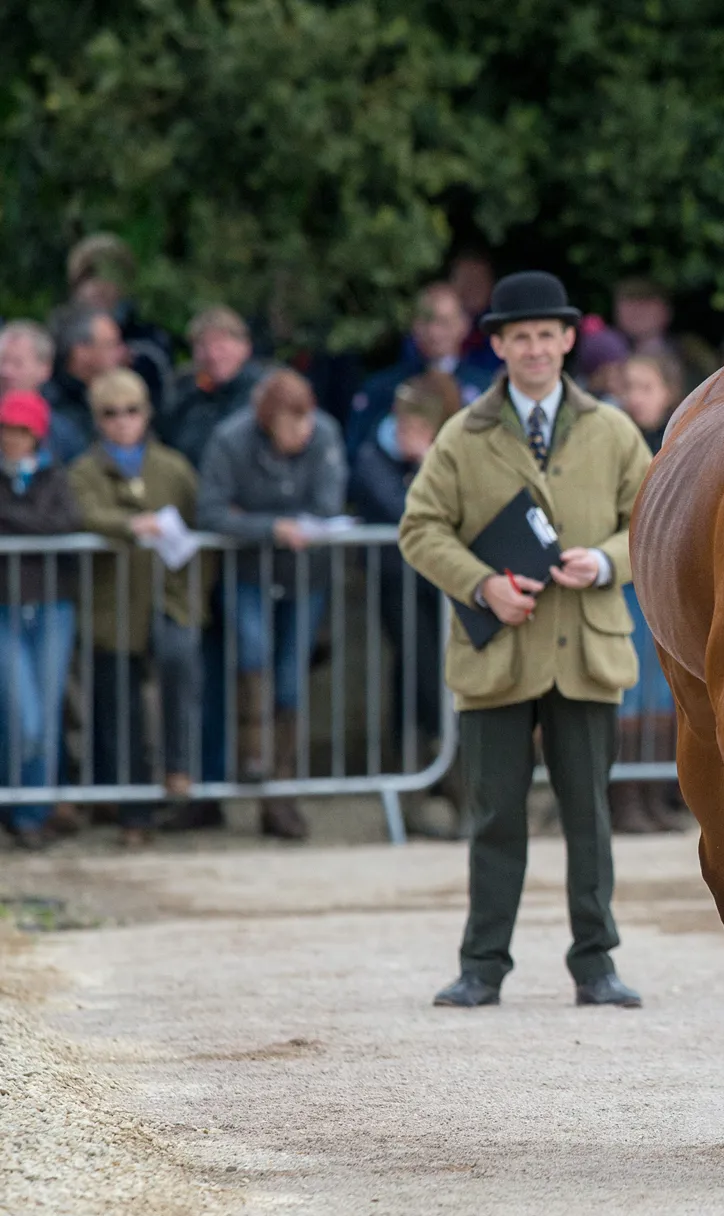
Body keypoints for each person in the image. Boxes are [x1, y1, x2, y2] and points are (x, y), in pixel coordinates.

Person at [398, 270, 651, 1010]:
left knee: (590, 817)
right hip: (498, 651)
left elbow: (656, 520)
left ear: (569, 340)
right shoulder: (462, 434)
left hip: (584, 645)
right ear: (499, 344)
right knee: (495, 816)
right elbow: (420, 527)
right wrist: (482, 585)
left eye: (548, 335)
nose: (535, 349)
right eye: (520, 337)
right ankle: (482, 965)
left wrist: (606, 560)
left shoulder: (611, 429)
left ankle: (596, 963)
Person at [196, 369, 347, 840]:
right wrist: (275, 529)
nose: (301, 435)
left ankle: (280, 792)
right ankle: (253, 761)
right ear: (266, 421)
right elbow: (212, 511)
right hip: (247, 576)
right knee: (252, 657)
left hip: (306, 579)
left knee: (289, 676)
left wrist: (252, 518)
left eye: (305, 423)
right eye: (289, 426)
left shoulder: (324, 433)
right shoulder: (230, 439)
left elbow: (327, 505)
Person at [66, 369, 204, 846]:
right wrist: (132, 525)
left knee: (179, 666)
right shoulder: (84, 471)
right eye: (110, 413)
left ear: (147, 413)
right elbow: (81, 513)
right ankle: (133, 814)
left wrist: (194, 597)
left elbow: (199, 527)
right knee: (118, 711)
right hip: (112, 608)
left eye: (132, 411)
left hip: (168, 599)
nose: (123, 422)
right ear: (96, 420)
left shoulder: (173, 468)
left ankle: (178, 766)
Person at [347, 370, 465, 839]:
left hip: (448, 585)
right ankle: (417, 792)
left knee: (451, 677)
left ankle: (458, 790)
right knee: (414, 674)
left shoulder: (453, 453)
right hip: (400, 583)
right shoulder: (374, 455)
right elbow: (410, 513)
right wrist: (425, 463)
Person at [597, 352, 685, 834]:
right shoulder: (609, 439)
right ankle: (624, 800)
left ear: (668, 393)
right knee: (627, 694)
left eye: (646, 387)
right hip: (625, 581)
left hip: (666, 583)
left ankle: (656, 796)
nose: (635, 396)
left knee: (663, 695)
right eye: (629, 386)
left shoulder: (680, 439)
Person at [0, 390, 82, 850]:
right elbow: (47, 523)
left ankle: (32, 812)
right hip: (5, 604)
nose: (11, 439)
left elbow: (67, 521)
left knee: (44, 714)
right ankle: (14, 801)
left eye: (19, 431)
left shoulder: (55, 475)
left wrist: (13, 519)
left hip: (52, 603)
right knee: (20, 712)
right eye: (6, 430)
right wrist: (31, 521)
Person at [346, 283, 494, 455]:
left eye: (444, 322)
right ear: (413, 324)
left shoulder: (487, 388)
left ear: (463, 325)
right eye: (426, 320)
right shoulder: (382, 386)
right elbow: (358, 452)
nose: (434, 332)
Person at [64, 233, 174, 410]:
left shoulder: (148, 341)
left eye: (109, 278)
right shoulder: (63, 336)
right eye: (89, 278)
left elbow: (163, 392)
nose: (100, 287)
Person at [156, 306, 267, 468]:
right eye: (203, 346)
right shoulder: (184, 393)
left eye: (220, 345)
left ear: (245, 347)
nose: (212, 355)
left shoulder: (262, 393)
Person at [0, 321, 89, 464]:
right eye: (3, 361)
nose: (5, 371)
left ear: (45, 369)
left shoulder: (64, 430)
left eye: (17, 363)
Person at [43, 306, 128, 452]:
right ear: (80, 352)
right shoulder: (50, 405)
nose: (122, 352)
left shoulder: (120, 394)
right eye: (111, 344)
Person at [612, 278, 716, 389]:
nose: (636, 310)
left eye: (645, 301)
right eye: (628, 302)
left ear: (666, 310)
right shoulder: (607, 354)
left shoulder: (692, 352)